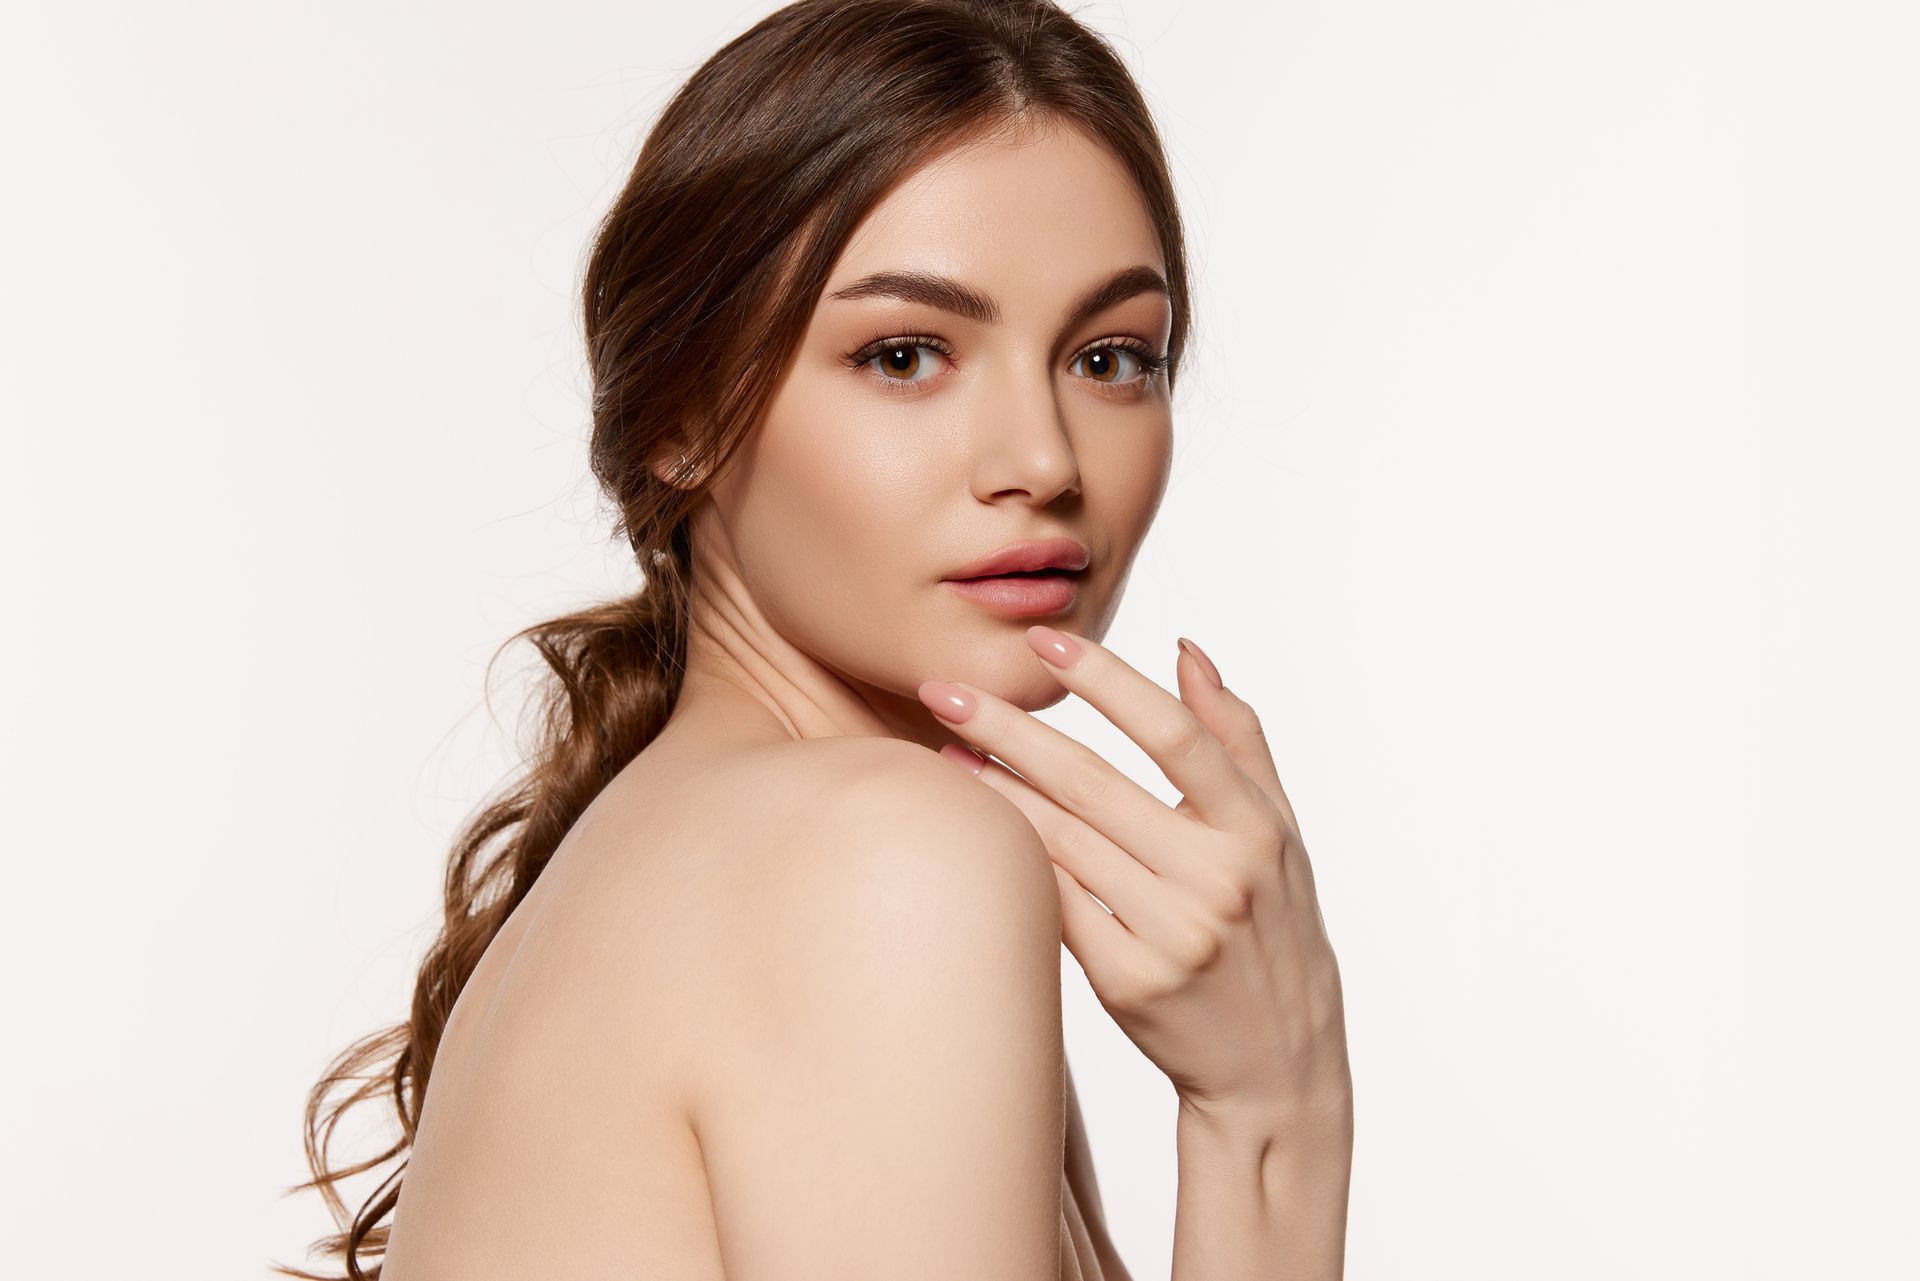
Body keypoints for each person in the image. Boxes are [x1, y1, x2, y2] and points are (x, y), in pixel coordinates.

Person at [277, 1, 1353, 1277]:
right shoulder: (886, 858)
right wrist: (1274, 1113)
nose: (1044, 461)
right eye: (905, 355)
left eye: (1111, 357)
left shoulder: (711, 842)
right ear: (682, 415)